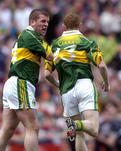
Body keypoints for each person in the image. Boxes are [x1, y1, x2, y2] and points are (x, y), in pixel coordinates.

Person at [45, 12, 110, 151]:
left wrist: (57, 84)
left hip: (66, 91)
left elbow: (46, 74)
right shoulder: (86, 42)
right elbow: (102, 66)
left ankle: (75, 125)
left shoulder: (54, 45)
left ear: (63, 26)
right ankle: (77, 125)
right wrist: (107, 83)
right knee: (93, 129)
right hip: (84, 85)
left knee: (79, 136)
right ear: (79, 25)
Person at [0, 9, 53, 151]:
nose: (46, 25)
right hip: (21, 83)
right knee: (33, 126)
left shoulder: (25, 36)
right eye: (43, 21)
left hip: (13, 83)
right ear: (32, 22)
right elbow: (51, 56)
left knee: (7, 129)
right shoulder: (31, 35)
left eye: (48, 22)